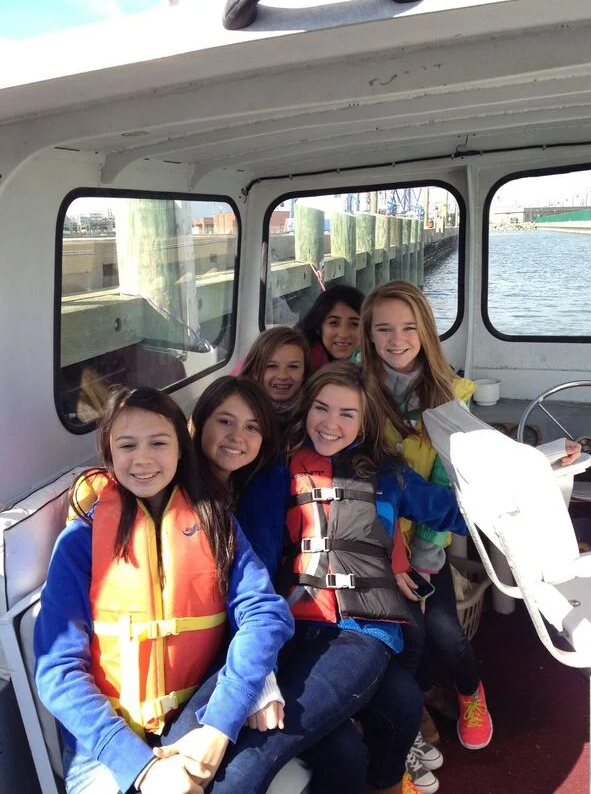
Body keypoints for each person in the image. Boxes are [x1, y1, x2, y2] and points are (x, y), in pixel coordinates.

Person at [34, 386, 295, 794]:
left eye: (158, 443)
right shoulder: (79, 541)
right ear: (110, 454)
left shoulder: (216, 522)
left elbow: (264, 613)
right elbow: (57, 671)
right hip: (105, 739)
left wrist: (219, 723)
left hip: (196, 710)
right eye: (127, 445)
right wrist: (142, 768)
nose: (142, 458)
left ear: (180, 448)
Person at [236, 362, 469, 794]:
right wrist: (262, 669)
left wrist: (538, 478)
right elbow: (256, 569)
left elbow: (455, 510)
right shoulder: (276, 474)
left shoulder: (390, 476)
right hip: (290, 629)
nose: (331, 423)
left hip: (359, 631)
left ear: (364, 423)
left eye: (347, 414)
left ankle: (388, 784)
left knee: (403, 703)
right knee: (349, 747)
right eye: (322, 408)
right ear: (306, 409)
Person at [360, 280, 495, 754]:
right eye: (384, 329)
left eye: (408, 328)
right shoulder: (356, 388)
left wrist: (422, 557)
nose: (396, 339)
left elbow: (445, 484)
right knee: (404, 633)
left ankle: (469, 692)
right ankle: (416, 699)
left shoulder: (449, 395)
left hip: (426, 542)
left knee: (443, 631)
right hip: (373, 537)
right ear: (369, 336)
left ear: (426, 333)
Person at [238, 326, 311, 430]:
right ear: (253, 370)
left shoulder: (314, 412)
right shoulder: (237, 408)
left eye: (293, 366)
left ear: (305, 372)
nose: (282, 376)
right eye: (271, 366)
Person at [296, 283, 363, 371]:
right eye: (334, 323)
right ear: (318, 327)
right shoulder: (302, 367)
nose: (343, 334)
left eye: (354, 324)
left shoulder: (372, 363)